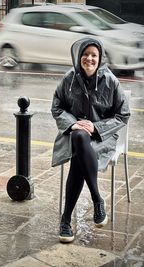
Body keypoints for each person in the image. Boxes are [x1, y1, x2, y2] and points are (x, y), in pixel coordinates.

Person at [51, 37, 130, 243]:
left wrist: (96, 127)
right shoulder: (69, 79)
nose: (89, 58)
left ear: (100, 58)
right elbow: (57, 107)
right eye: (85, 55)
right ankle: (97, 199)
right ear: (79, 57)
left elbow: (123, 115)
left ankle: (66, 220)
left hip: (101, 136)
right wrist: (73, 124)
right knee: (78, 137)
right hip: (75, 133)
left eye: (94, 55)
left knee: (79, 152)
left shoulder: (111, 81)